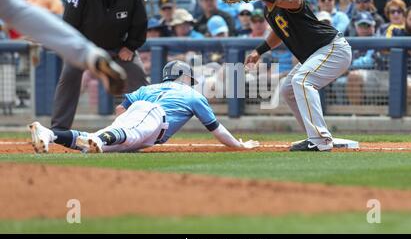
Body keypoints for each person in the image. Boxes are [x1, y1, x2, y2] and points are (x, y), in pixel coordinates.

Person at [29, 60, 260, 153]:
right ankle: (103, 138)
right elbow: (216, 129)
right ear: (184, 76)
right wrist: (239, 146)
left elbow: (120, 110)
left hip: (140, 119)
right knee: (113, 137)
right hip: (153, 116)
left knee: (90, 143)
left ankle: (49, 134)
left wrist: (117, 128)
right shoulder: (192, 94)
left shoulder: (149, 88)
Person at [244, 0, 352, 152]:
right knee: (288, 90)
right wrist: (259, 51)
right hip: (317, 53)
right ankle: (314, 135)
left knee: (301, 81)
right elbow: (279, 33)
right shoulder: (268, 11)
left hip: (332, 48)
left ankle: (320, 139)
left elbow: (294, 1)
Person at [51, 0, 149, 130]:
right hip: (85, 48)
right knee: (68, 78)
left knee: (138, 75)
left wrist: (130, 46)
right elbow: (69, 25)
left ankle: (148, 124)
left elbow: (140, 22)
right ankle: (59, 128)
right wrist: (76, 50)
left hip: (118, 47)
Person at [0, 0, 126, 96]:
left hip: (33, 37)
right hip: (32, 33)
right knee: (15, 11)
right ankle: (89, 55)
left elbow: (58, 13)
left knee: (15, 13)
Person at [345, 11, 411, 106]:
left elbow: (369, 61)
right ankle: (357, 117)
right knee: (353, 76)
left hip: (400, 74)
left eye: (367, 25)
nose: (364, 29)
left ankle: (406, 120)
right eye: (361, 25)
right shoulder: (350, 42)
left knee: (410, 87)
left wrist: (348, 67)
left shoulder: (380, 36)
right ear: (356, 27)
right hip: (376, 74)